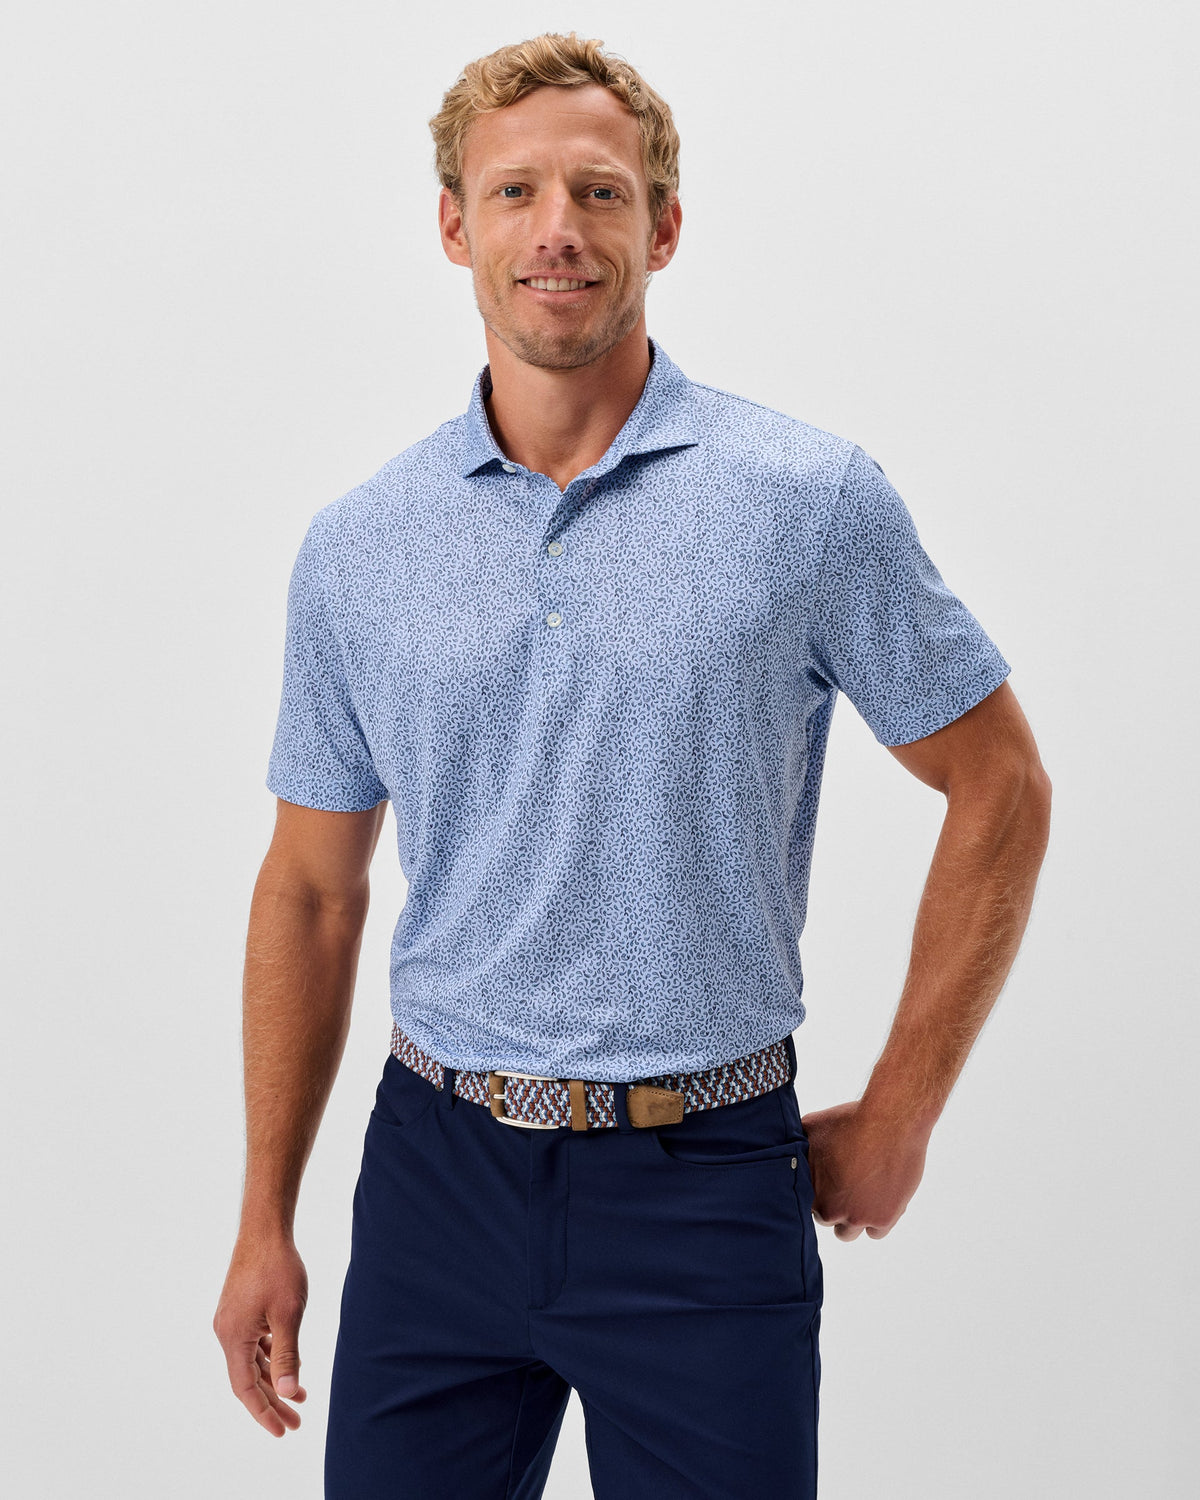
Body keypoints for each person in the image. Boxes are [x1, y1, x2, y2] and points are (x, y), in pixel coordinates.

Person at [213, 31, 1052, 1499]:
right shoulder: (360, 547)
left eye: (599, 192)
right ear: (454, 225)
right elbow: (311, 892)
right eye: (515, 191)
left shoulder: (804, 502)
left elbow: (1002, 785)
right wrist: (263, 1215)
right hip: (434, 1179)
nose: (557, 229)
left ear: (663, 228)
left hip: (704, 1188)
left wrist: (903, 1111)